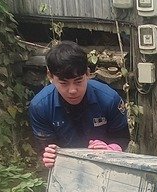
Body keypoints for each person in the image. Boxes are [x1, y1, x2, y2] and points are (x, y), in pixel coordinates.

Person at [28, 41, 130, 169]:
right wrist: (50, 157)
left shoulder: (109, 99)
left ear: (87, 74)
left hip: (105, 165)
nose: (72, 90)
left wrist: (112, 149)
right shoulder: (40, 106)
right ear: (50, 76)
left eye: (78, 81)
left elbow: (122, 137)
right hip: (65, 168)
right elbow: (46, 148)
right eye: (64, 83)